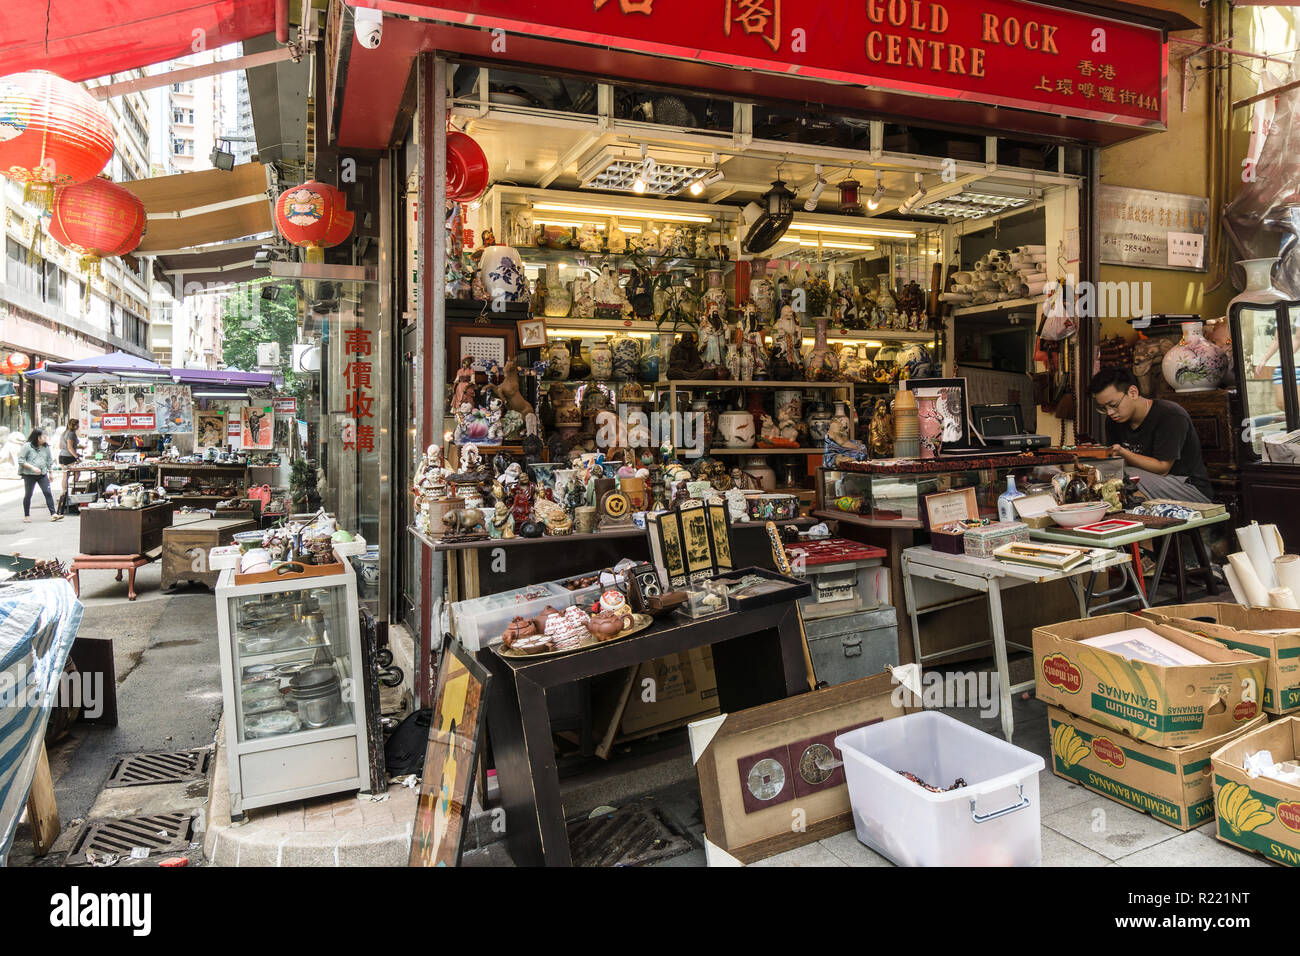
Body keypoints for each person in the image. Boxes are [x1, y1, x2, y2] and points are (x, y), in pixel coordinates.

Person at [1088, 366, 1212, 503]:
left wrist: (1122, 452)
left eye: (1113, 405)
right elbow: (1117, 463)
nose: (1110, 412)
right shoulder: (1113, 421)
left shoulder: (1170, 415)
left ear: (1133, 392)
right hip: (1147, 482)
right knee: (1101, 473)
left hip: (1188, 488)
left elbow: (1162, 468)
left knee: (1125, 476)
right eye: (1103, 408)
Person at [18, 428, 63, 523]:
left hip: (42, 474)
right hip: (29, 474)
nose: (46, 438)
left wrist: (50, 473)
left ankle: (53, 514)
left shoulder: (46, 447)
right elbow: (21, 461)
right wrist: (32, 468)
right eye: (44, 436)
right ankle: (27, 516)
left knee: (47, 492)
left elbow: (49, 460)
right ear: (38, 437)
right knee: (28, 494)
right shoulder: (27, 446)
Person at [57, 418, 80, 513]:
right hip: (68, 457)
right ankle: (73, 491)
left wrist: (80, 447)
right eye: (77, 425)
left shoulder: (64, 433)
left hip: (62, 456)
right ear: (74, 426)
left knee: (65, 475)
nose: (78, 426)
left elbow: (61, 446)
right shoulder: (71, 433)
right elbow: (70, 447)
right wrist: (76, 457)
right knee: (77, 473)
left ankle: (64, 492)